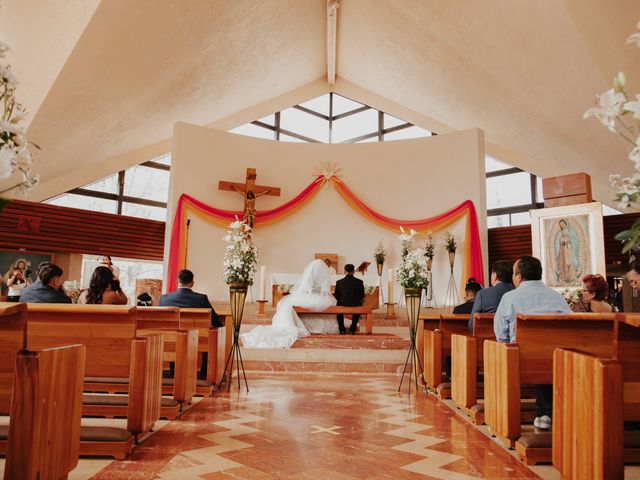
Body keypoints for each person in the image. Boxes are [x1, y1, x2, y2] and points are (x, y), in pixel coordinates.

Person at [494, 255, 570, 431]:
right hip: (557, 359)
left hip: (520, 358)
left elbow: (500, 333)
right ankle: (546, 413)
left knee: (507, 351)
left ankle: (505, 413)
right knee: (546, 354)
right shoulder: (557, 297)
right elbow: (569, 324)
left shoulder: (510, 297)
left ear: (519, 277)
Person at [241, 259, 337, 348]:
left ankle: (295, 324)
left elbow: (307, 289)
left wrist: (316, 291)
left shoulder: (309, 278)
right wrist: (319, 291)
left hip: (306, 296)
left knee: (291, 304)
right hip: (315, 297)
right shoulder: (318, 279)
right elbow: (318, 290)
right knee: (325, 303)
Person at [160, 269, 222, 379]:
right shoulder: (201, 299)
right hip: (196, 339)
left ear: (176, 282)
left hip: (171, 339)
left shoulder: (164, 299)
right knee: (207, 336)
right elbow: (217, 322)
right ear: (192, 283)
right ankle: (204, 374)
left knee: (173, 338)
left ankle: (174, 373)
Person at [468, 261, 514, 332]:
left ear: (495, 275)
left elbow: (472, 324)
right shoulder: (518, 293)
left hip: (488, 339)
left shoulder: (483, 294)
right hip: (515, 339)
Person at [334, 263, 365, 334]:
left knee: (338, 306)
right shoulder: (359, 282)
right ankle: (353, 328)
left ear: (344, 271)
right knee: (359, 304)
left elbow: (337, 295)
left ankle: (341, 329)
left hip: (342, 303)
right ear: (354, 271)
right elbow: (361, 295)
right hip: (355, 304)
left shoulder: (339, 282)